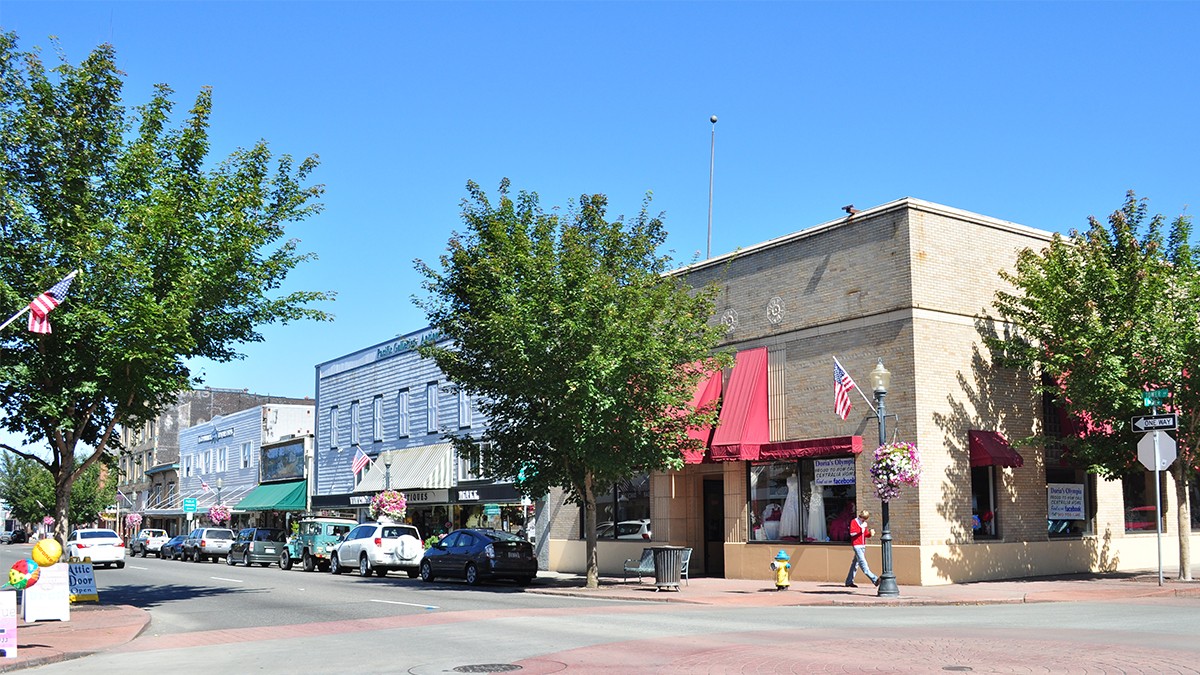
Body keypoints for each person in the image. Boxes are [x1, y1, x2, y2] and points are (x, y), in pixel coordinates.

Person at [845, 509, 879, 588]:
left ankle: (849, 581)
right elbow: (852, 533)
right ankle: (875, 579)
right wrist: (861, 529)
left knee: (855, 564)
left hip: (862, 545)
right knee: (863, 563)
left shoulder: (864, 524)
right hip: (857, 546)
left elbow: (865, 534)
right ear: (860, 516)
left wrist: (870, 534)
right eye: (863, 518)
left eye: (865, 519)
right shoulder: (854, 521)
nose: (864, 520)